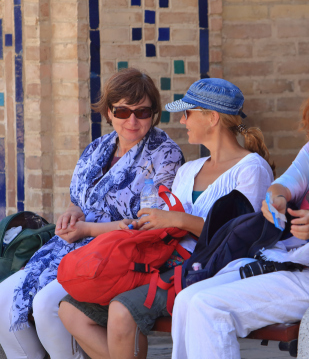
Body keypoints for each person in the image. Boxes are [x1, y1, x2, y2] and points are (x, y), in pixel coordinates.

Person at [170, 59, 309, 359]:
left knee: (209, 307)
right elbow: (285, 183)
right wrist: (276, 198)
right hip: (295, 262)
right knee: (187, 299)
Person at [58, 78, 276, 359]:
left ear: (212, 118)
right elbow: (164, 222)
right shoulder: (190, 170)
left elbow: (240, 237)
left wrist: (177, 220)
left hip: (205, 271)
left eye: (187, 113)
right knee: (70, 308)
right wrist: (142, 223)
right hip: (160, 261)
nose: (182, 121)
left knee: (122, 311)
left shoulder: (251, 169)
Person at [0, 68, 184, 359]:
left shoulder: (165, 155)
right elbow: (78, 199)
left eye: (142, 112)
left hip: (117, 253)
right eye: (122, 111)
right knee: (3, 299)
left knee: (47, 305)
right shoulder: (97, 148)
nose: (132, 121)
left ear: (155, 113)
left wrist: (87, 230)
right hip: (70, 246)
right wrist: (72, 214)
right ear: (109, 112)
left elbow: (152, 222)